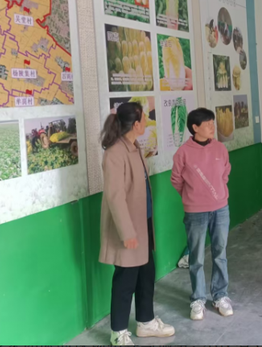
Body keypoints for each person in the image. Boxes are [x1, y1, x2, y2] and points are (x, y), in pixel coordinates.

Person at [99, 102, 175, 346]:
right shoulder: (114, 153)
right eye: (143, 119)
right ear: (135, 124)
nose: (146, 123)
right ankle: (118, 332)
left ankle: (146, 321)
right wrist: (127, 232)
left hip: (143, 223)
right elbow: (115, 196)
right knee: (125, 279)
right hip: (129, 228)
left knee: (146, 274)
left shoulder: (134, 147)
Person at [171, 108, 233, 321]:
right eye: (207, 124)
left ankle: (220, 295)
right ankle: (198, 299)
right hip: (195, 211)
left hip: (221, 208)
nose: (212, 127)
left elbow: (225, 172)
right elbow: (176, 180)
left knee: (220, 253)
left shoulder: (220, 148)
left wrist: (219, 193)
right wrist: (192, 197)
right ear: (195, 128)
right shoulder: (183, 153)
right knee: (196, 256)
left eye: (212, 123)